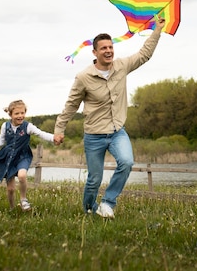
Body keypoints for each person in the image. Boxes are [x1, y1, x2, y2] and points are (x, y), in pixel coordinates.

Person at [53, 17, 166, 219]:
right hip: (94, 135)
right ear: (94, 52)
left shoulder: (121, 66)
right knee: (94, 179)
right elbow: (71, 105)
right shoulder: (83, 77)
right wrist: (59, 129)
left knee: (127, 162)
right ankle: (89, 209)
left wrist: (157, 30)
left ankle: (107, 203)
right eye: (103, 48)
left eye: (110, 47)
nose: (108, 51)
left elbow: (144, 54)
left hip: (117, 132)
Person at [0, 100, 54, 211]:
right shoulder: (5, 126)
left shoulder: (28, 126)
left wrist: (54, 138)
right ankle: (12, 208)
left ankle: (23, 199)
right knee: (10, 189)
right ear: (10, 114)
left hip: (23, 156)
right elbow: (0, 141)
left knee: (22, 176)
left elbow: (41, 133)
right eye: (17, 113)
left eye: (22, 113)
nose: (20, 116)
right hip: (9, 157)